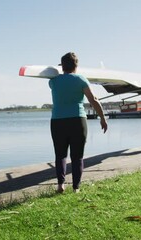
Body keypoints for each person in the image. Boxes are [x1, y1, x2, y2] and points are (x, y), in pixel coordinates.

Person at [49, 52, 108, 193]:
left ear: (62, 65)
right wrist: (102, 118)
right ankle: (76, 188)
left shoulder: (53, 81)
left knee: (60, 154)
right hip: (78, 120)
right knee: (77, 156)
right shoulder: (81, 80)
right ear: (76, 65)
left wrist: (60, 70)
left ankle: (60, 185)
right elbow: (93, 99)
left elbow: (57, 77)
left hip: (58, 121)